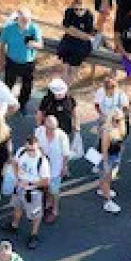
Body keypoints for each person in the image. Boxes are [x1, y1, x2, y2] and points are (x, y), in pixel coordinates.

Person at [36, 80, 77, 214]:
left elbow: (75, 113)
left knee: (54, 186)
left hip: (66, 131)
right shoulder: (47, 101)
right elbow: (40, 113)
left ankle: (54, 207)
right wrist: (39, 127)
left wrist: (77, 125)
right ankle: (48, 201)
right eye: (57, 93)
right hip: (47, 161)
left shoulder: (70, 99)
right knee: (48, 183)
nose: (60, 96)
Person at [6, 132, 51, 249]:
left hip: (33, 192)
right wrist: (16, 177)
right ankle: (14, 226)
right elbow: (15, 163)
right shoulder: (21, 152)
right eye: (28, 149)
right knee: (17, 206)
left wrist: (31, 183)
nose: (30, 152)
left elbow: (46, 181)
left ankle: (34, 235)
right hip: (20, 187)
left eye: (33, 150)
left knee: (36, 215)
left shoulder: (42, 161)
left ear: (38, 147)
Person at [0, 8, 43, 112]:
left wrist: (33, 44)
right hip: (12, 61)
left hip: (28, 63)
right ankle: (6, 104)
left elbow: (40, 45)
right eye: (23, 19)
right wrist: (1, 61)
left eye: (28, 19)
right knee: (8, 84)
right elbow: (1, 45)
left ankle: (22, 105)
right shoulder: (9, 28)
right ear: (17, 19)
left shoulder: (34, 28)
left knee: (27, 87)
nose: (26, 22)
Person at [58, 0, 96, 82]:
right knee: (66, 69)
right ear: (73, 7)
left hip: (81, 45)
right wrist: (78, 33)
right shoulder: (69, 12)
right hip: (68, 41)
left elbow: (88, 36)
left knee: (73, 70)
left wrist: (73, 31)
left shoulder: (89, 15)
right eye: (76, 9)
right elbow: (65, 27)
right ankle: (63, 91)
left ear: (85, 7)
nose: (78, 12)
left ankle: (66, 90)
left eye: (81, 9)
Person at [96, 109, 127, 213]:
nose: (117, 122)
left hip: (115, 155)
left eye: (119, 120)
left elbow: (121, 144)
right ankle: (108, 202)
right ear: (110, 119)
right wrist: (105, 164)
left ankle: (103, 190)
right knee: (107, 179)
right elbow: (104, 150)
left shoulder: (120, 129)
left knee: (106, 178)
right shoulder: (107, 131)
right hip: (107, 157)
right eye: (115, 120)